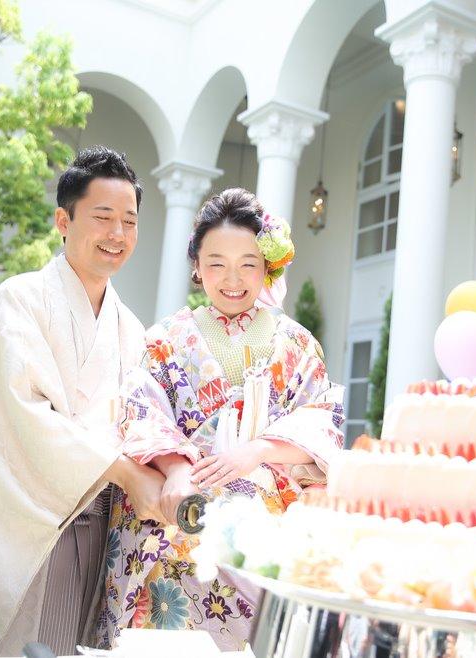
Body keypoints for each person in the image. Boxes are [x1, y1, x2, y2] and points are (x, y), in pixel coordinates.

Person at [0, 146, 168, 657]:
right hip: (15, 524)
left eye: (129, 221)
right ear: (63, 221)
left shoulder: (131, 330)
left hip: (93, 524)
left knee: (61, 644)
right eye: (103, 217)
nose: (117, 233)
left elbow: (144, 423)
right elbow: (21, 418)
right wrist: (125, 472)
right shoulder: (20, 299)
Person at [96, 188, 345, 651]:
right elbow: (142, 409)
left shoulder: (298, 343)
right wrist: (175, 469)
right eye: (216, 263)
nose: (233, 279)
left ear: (267, 266)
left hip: (265, 535)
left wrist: (259, 451)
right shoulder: (166, 338)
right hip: (179, 518)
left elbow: (322, 417)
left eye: (248, 264)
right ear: (196, 265)